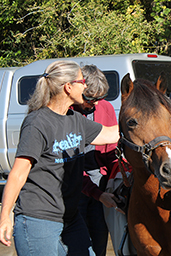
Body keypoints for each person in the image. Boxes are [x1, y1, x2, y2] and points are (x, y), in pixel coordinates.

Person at [0, 60, 119, 256]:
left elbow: (112, 134)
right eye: (82, 81)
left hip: (70, 218)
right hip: (38, 220)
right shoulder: (37, 123)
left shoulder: (75, 119)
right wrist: (5, 216)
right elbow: (18, 174)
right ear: (68, 87)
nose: (86, 86)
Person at [71, 64, 123, 256]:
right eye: (90, 99)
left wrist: (114, 178)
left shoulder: (105, 107)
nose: (94, 104)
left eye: (99, 99)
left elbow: (111, 152)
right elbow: (71, 165)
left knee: (99, 238)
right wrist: (94, 192)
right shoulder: (68, 112)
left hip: (99, 182)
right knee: (78, 241)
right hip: (76, 184)